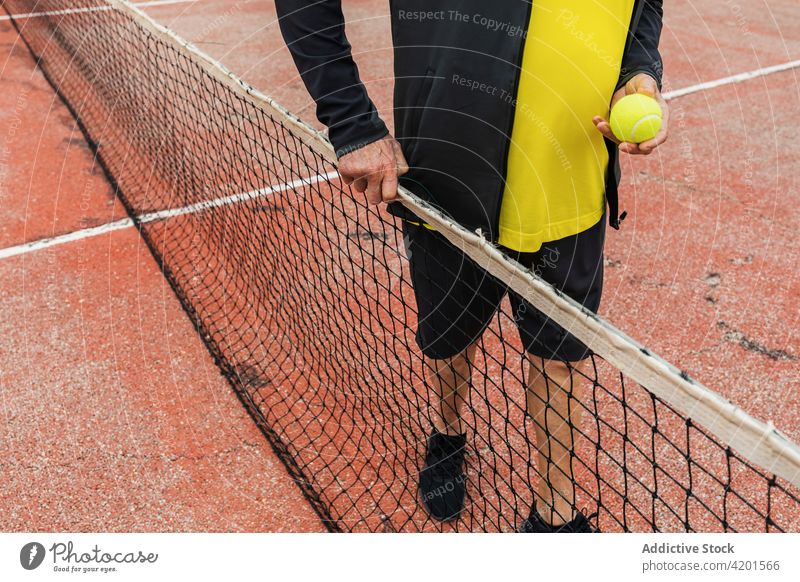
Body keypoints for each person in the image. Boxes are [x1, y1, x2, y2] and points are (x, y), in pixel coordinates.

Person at [276, 0, 668, 532]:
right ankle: (448, 432)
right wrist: (350, 121)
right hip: (449, 175)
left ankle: (553, 517)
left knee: (560, 357)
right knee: (450, 340)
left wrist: (639, 71)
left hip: (570, 179)